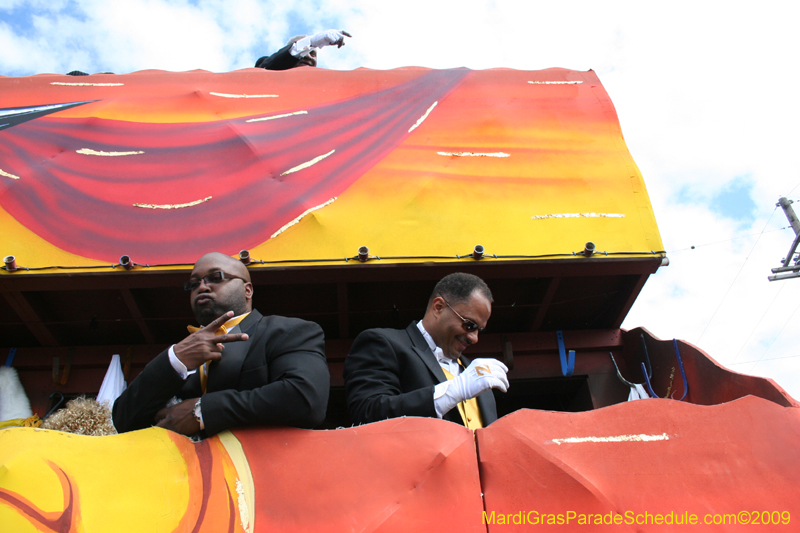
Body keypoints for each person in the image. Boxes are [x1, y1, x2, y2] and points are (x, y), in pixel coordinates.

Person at [112, 252, 329, 437]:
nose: (202, 287)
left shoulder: (287, 331)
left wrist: (203, 412)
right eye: (194, 284)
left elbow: (306, 398)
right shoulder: (179, 353)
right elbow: (123, 420)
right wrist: (176, 360)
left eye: (216, 277)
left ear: (248, 290)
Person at [343, 272, 509, 428]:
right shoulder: (383, 343)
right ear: (438, 307)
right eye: (469, 325)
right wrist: (453, 392)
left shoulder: (476, 376)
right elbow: (367, 414)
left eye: (479, 329)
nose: (474, 338)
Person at [255, 29, 351, 70]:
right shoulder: (267, 67)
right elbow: (264, 69)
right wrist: (311, 42)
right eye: (304, 51)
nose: (308, 56)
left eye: (313, 54)